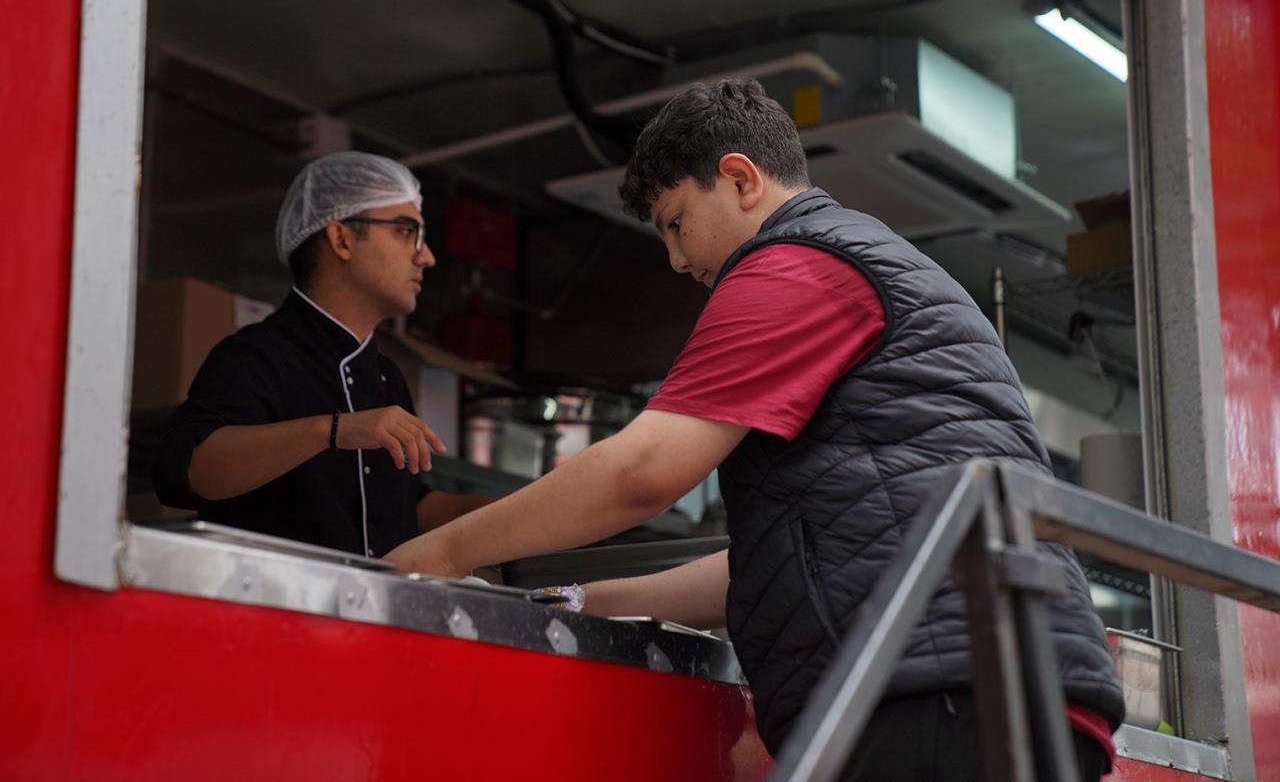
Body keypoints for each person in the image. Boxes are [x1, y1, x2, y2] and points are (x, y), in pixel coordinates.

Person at [385, 80, 1124, 779]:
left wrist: (443, 551)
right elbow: (778, 565)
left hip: (937, 693)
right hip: (1002, 688)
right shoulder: (863, 262)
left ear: (740, 179)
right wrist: (584, 603)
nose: (677, 260)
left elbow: (643, 470)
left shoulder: (802, 264)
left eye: (677, 223)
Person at [153, 151, 492, 558]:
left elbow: (401, 512)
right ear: (342, 239)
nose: (426, 256)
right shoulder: (256, 355)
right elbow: (189, 468)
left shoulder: (387, 378)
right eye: (406, 232)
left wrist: (518, 511)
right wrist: (333, 430)